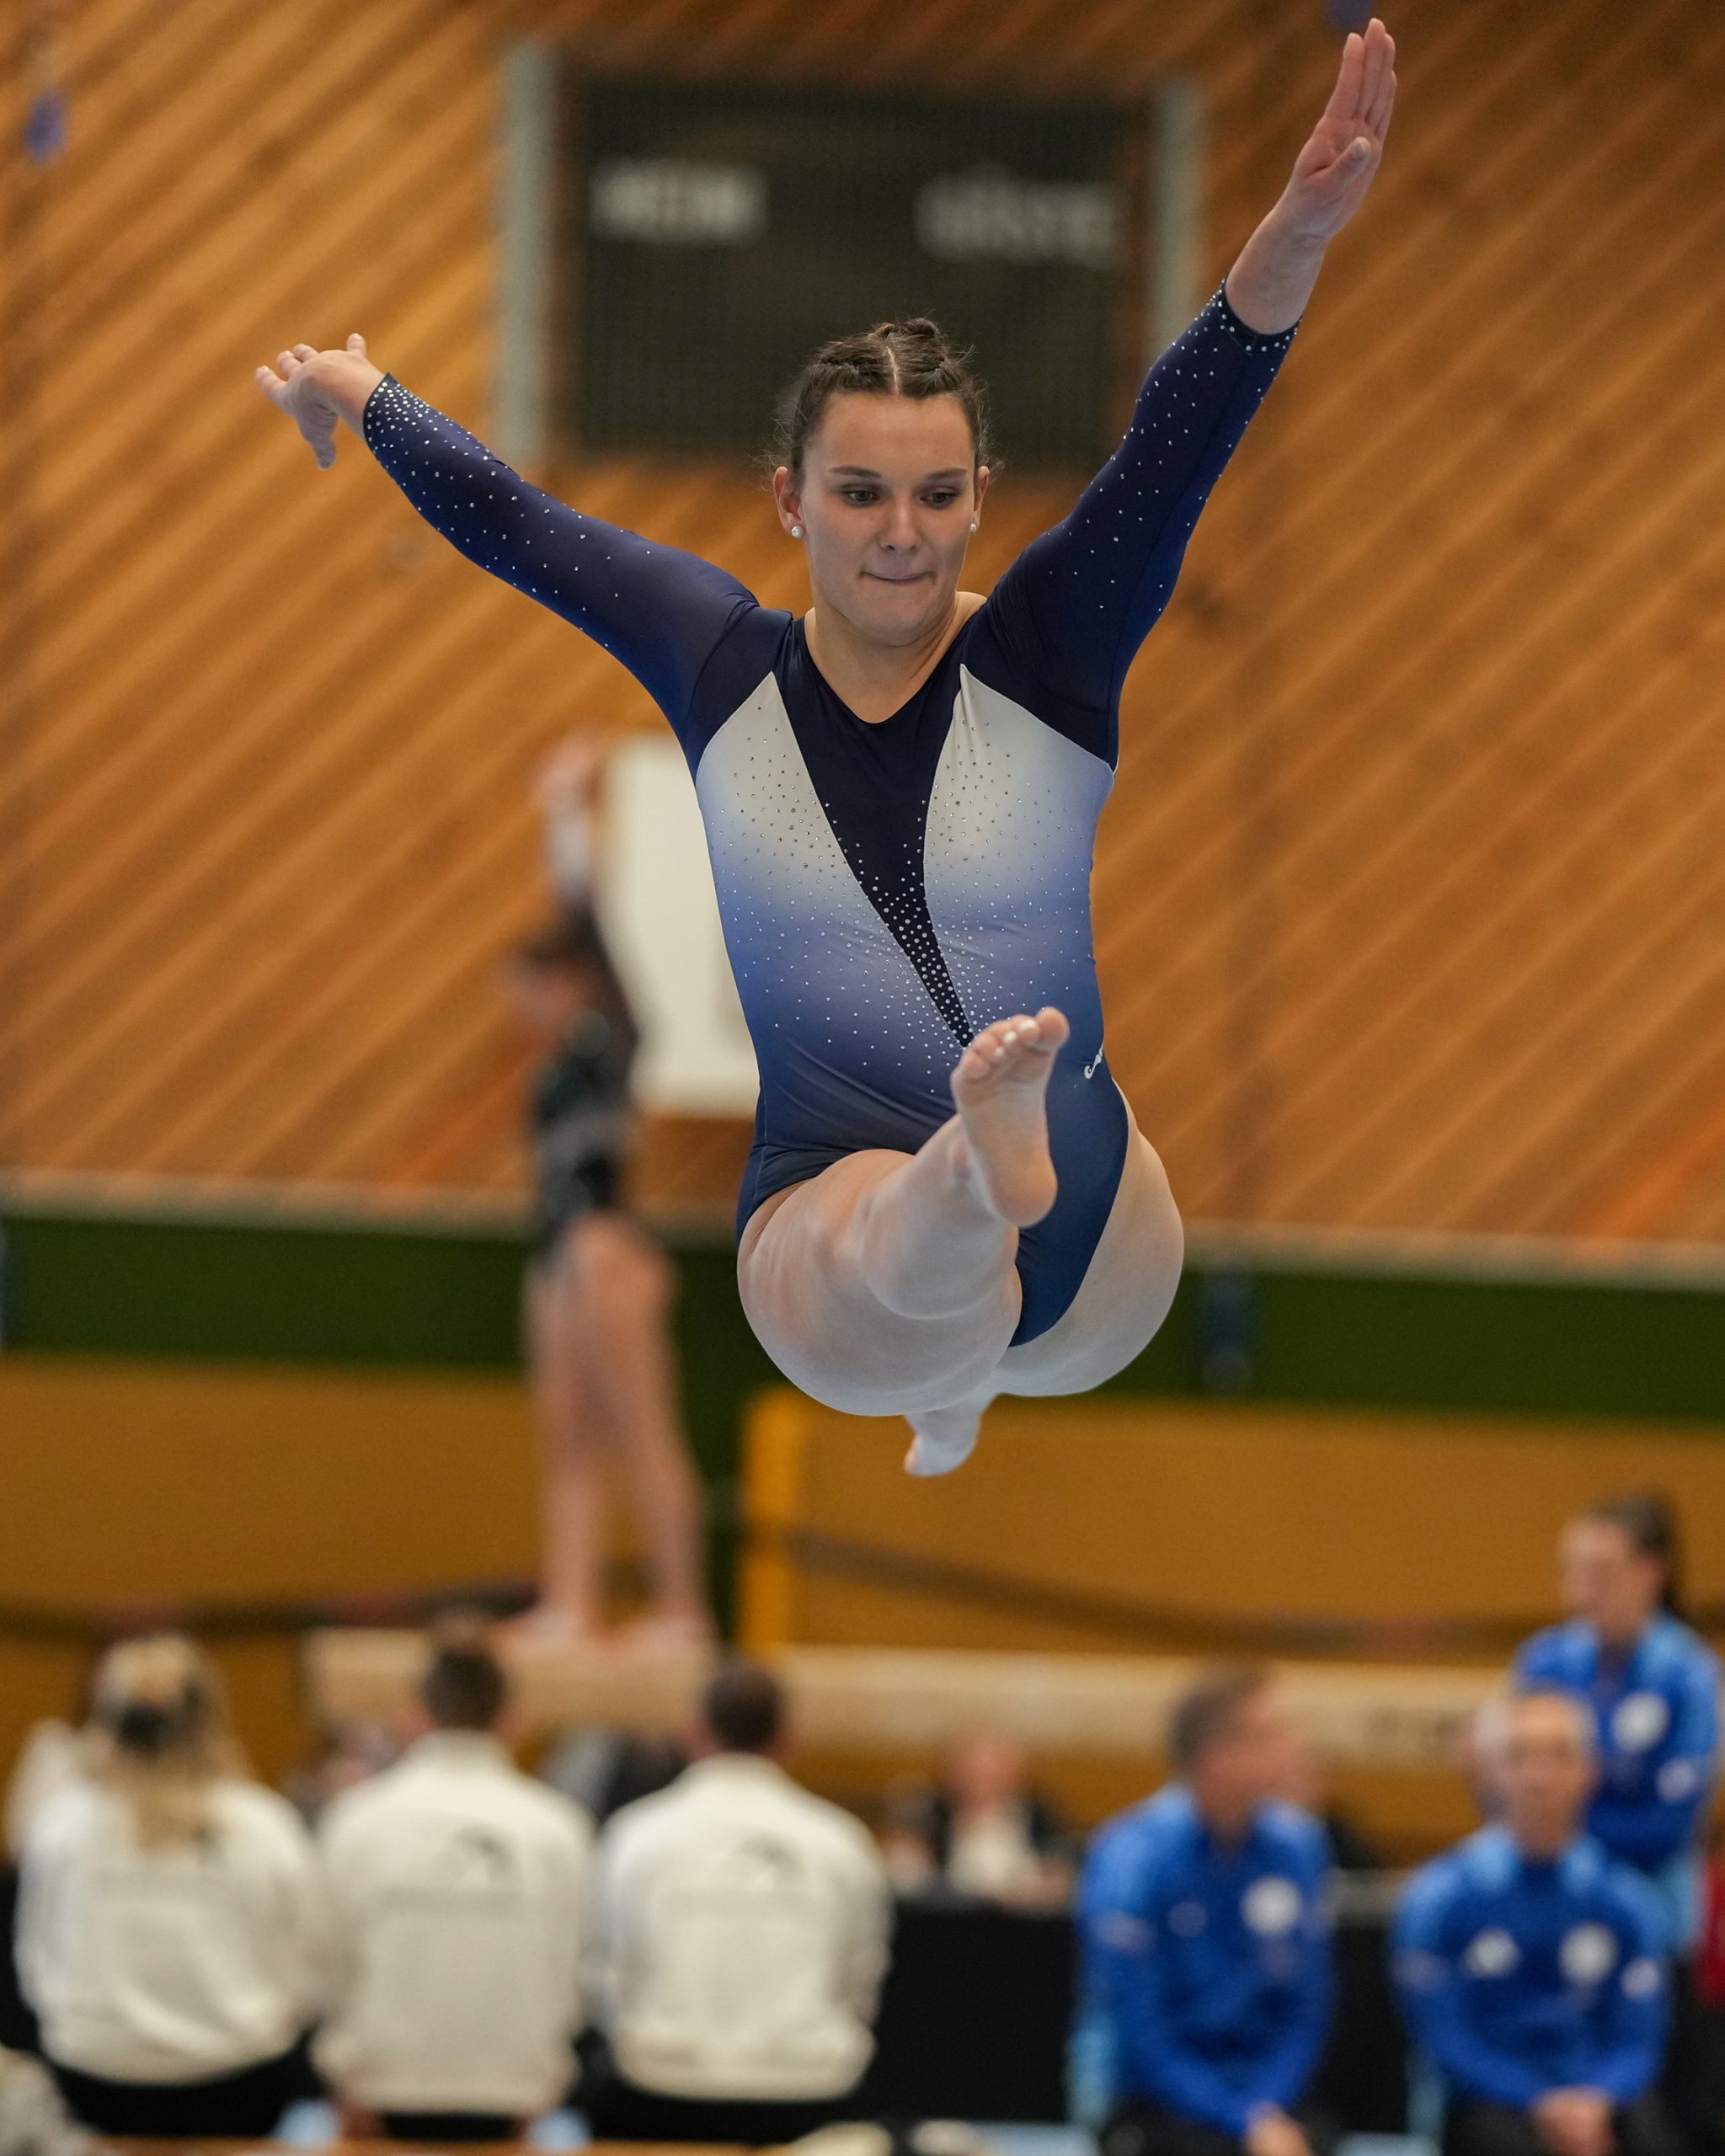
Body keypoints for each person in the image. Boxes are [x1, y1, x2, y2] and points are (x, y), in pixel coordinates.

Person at [256, 24, 1397, 1476]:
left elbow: (1176, 443)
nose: (900, 533)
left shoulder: (1048, 651)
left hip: (1099, 1237)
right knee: (865, 1254)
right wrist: (363, 396)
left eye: (932, 494)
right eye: (858, 492)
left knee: (908, 1288)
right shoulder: (719, 662)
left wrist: (1296, 229)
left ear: (980, 496)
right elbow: (520, 524)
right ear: (789, 501)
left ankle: (973, 1234)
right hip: (854, 1216)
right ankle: (963, 1201)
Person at [510, 734, 711, 1644]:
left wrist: (562, 811)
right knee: (569, 1442)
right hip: (556, 1254)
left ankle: (680, 1607)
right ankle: (572, 1602)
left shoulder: (612, 1031)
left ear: (573, 981)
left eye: (534, 990)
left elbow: (585, 910)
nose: (525, 1010)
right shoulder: (558, 1063)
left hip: (606, 1248)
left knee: (641, 1431)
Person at [14, 1636, 323, 2138]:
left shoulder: (64, 1823)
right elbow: (311, 1969)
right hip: (238, 2085)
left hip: (95, 2081)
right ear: (210, 1721)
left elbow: (35, 1965)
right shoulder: (262, 1825)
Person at [585, 1657, 890, 2143]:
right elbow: (861, 1980)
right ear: (787, 1740)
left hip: (663, 2094)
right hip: (806, 2095)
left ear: (693, 1733)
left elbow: (607, 1976)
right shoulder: (841, 1841)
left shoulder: (637, 1833)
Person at [314, 1616, 594, 2143]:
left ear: (414, 1718)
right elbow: (576, 1977)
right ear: (512, 1722)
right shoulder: (558, 1828)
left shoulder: (358, 1819)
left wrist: (347, 2077)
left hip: (385, 2089)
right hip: (511, 2092)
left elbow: (325, 1971)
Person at [1392, 1689, 1678, 2156]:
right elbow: (1446, 2038)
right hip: (1489, 2105)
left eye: (1559, 1756)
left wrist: (1594, 2103)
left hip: (1599, 2104)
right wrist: (1540, 2103)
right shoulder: (1439, 1899)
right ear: (1490, 1772)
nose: (1539, 1777)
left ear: (1590, 1771)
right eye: (1519, 1756)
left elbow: (1638, 2040)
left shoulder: (1626, 1900)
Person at [1078, 1667, 1335, 2156]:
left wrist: (1264, 2107)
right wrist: (1240, 2120)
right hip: (1151, 2096)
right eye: (1272, 1735)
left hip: (1267, 2090)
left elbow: (1308, 2006)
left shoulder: (1298, 1847)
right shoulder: (1131, 1858)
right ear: (1218, 1759)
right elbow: (1140, 2029)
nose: (1293, 1747)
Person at [1514, 1494, 1719, 1944]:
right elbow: (1510, 1803)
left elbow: (1667, 1826)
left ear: (1652, 1572)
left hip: (1655, 1923)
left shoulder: (1688, 1675)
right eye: (1572, 1570)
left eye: (1601, 1571)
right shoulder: (1544, 1662)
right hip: (1547, 1918)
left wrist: (1559, 1829)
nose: (1582, 1589)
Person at [882, 1730, 1076, 1906]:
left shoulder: (1042, 1820)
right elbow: (904, 1879)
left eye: (994, 1777)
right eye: (973, 1775)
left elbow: (1063, 1872)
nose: (982, 1787)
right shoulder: (928, 1817)